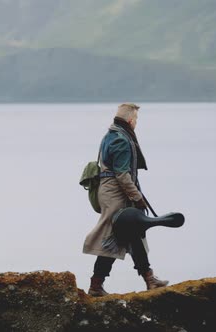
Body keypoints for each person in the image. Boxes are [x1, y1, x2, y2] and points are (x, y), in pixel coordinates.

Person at [83, 103, 168, 297]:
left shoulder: (110, 135)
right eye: (136, 119)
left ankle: (148, 278)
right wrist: (137, 198)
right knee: (114, 237)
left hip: (109, 191)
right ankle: (97, 286)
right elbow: (122, 175)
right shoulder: (122, 140)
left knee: (130, 234)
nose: (136, 123)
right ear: (130, 120)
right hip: (116, 194)